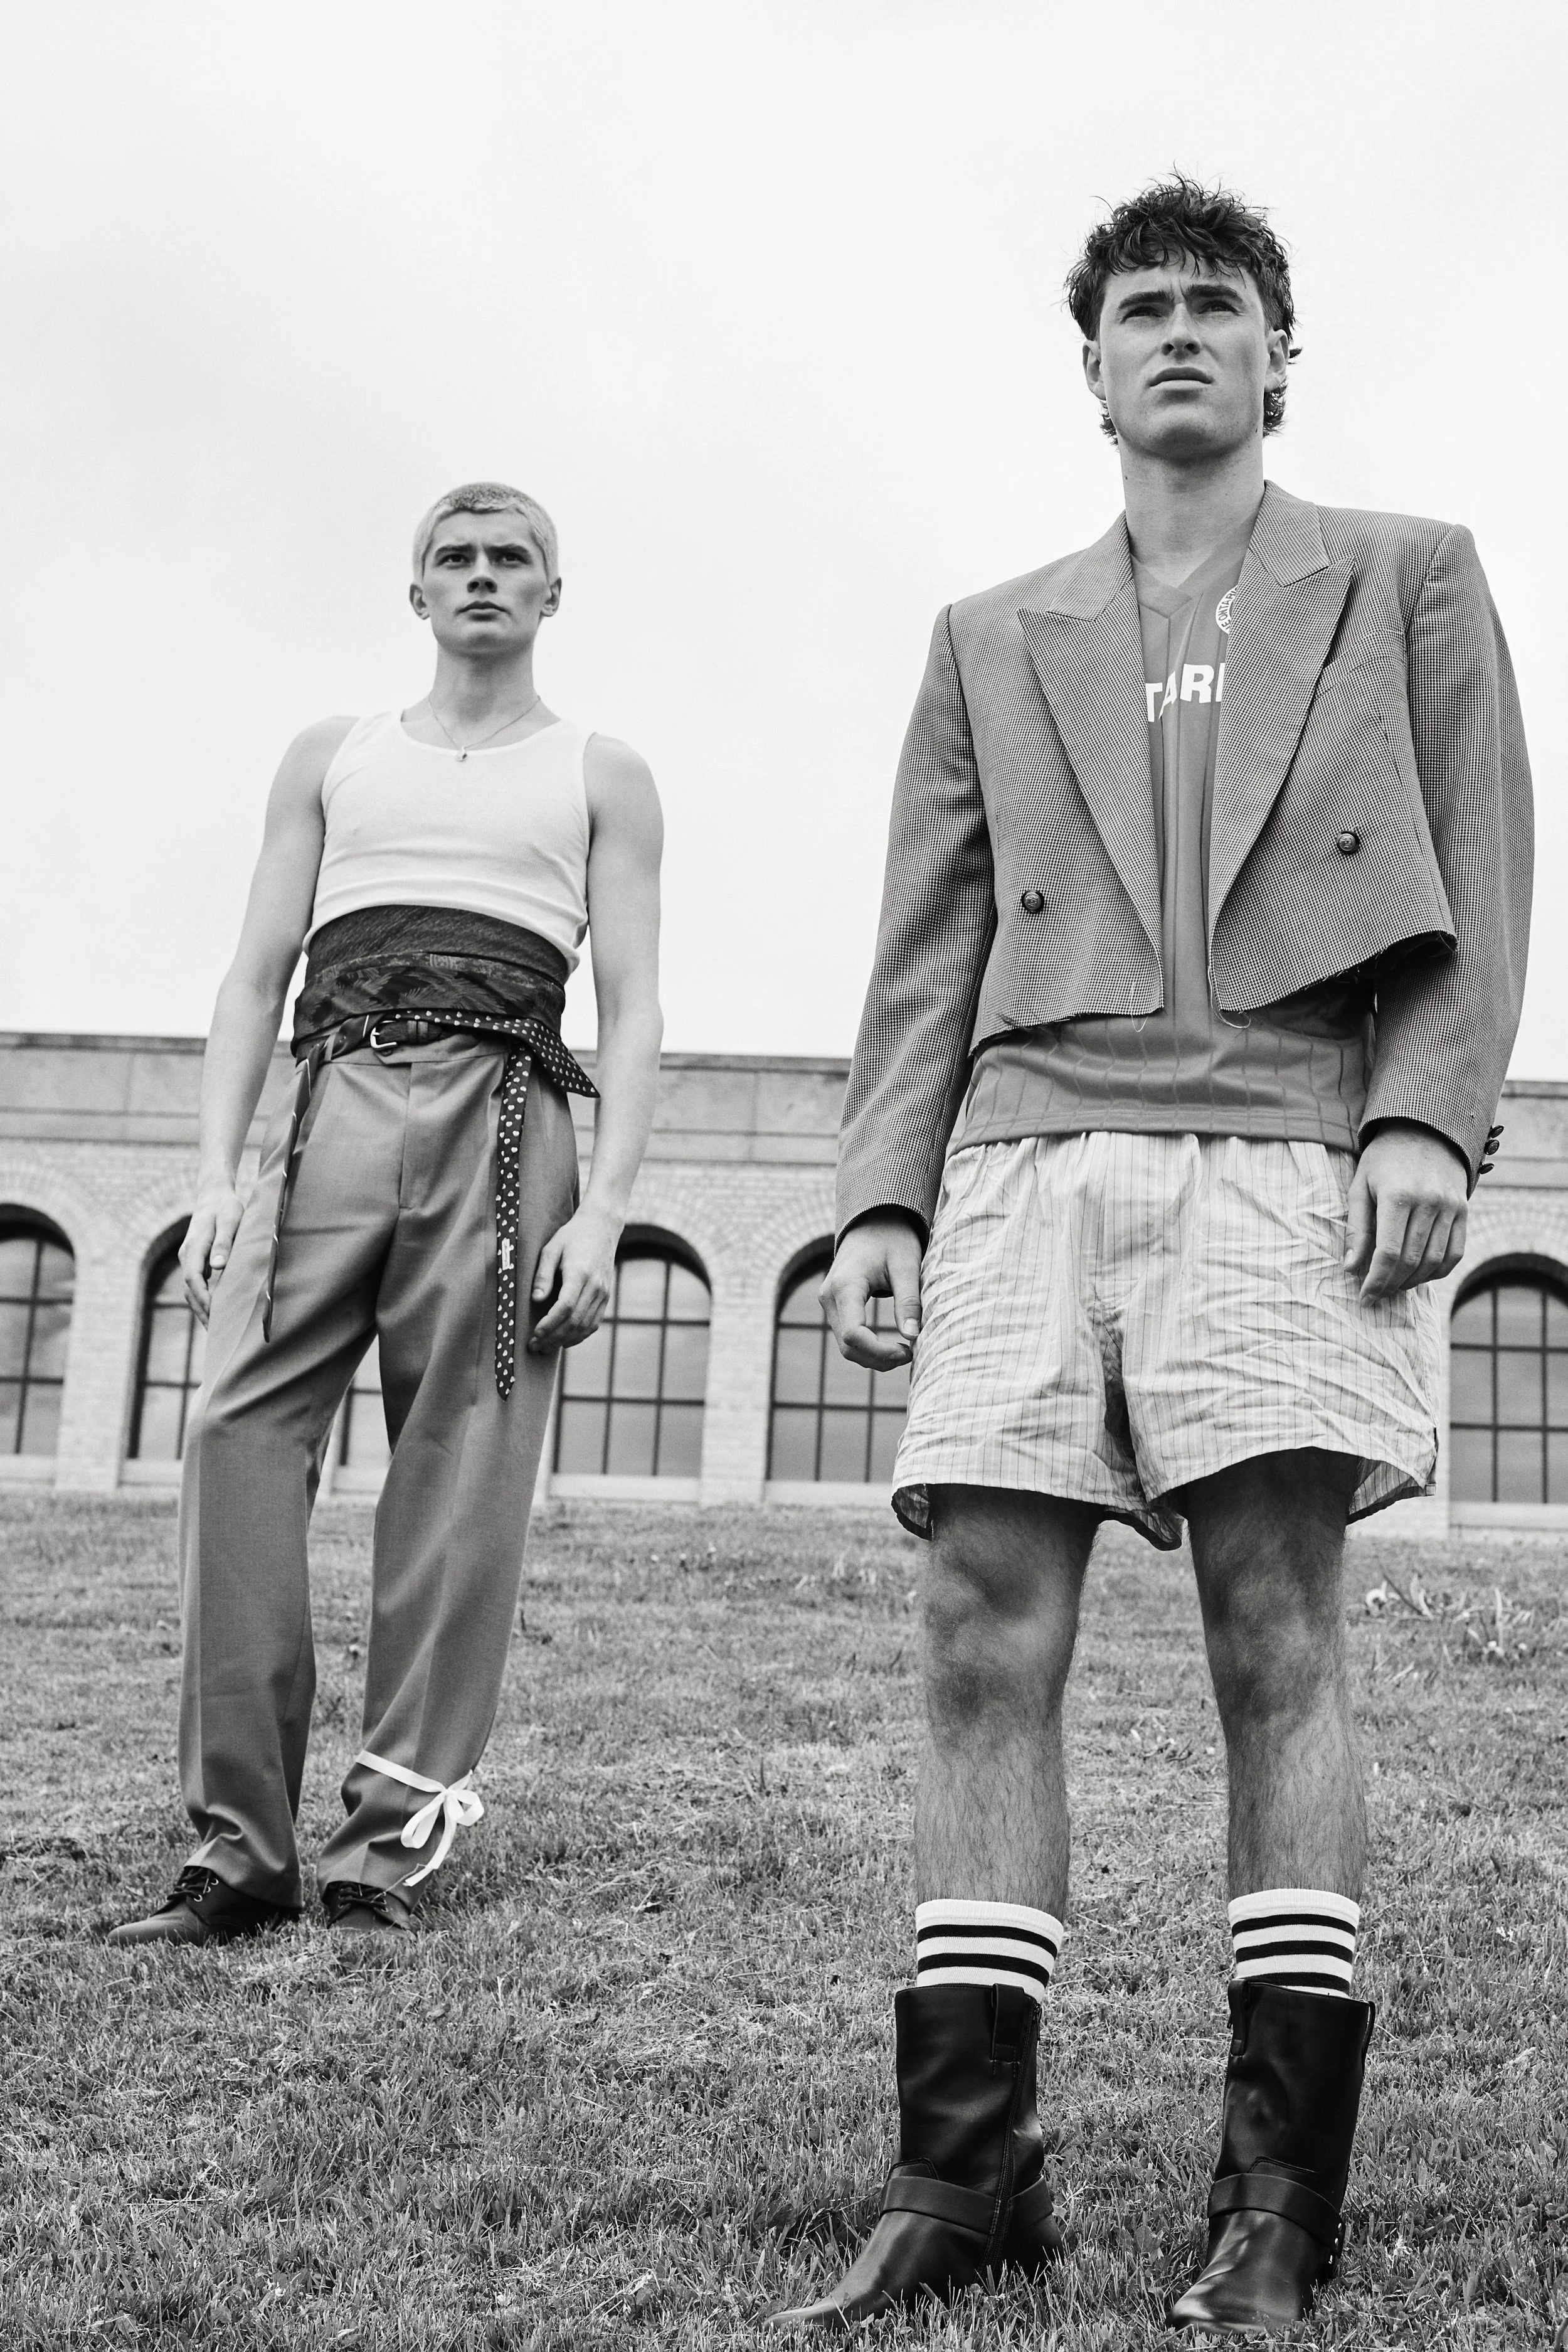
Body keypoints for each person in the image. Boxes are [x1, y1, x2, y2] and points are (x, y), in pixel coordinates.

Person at [770, 179, 1531, 2336]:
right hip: (1023, 1147)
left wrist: (1421, 1112)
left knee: (1277, 1623)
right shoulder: (990, 634)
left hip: (1286, 1140)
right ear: (1090, 366)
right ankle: (965, 2165)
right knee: (975, 1623)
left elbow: (1484, 859)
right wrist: (887, 1197)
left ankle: (1276, 2197)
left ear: (1281, 355)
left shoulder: (1408, 577)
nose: (1179, 333)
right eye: (1140, 310)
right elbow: (922, 939)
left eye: (1218, 305)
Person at [109, 482, 663, 1946]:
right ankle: (237, 1845)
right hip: (329, 1104)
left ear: (553, 592)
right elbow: (250, 972)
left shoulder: (602, 772)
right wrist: (220, 1169)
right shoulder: (331, 755)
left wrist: (605, 1207)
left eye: (511, 560)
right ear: (414, 592)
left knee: (463, 1461)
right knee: (235, 1423)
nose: (482, 577)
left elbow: (640, 999)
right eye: (454, 559)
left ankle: (380, 1849)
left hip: (505, 1119)